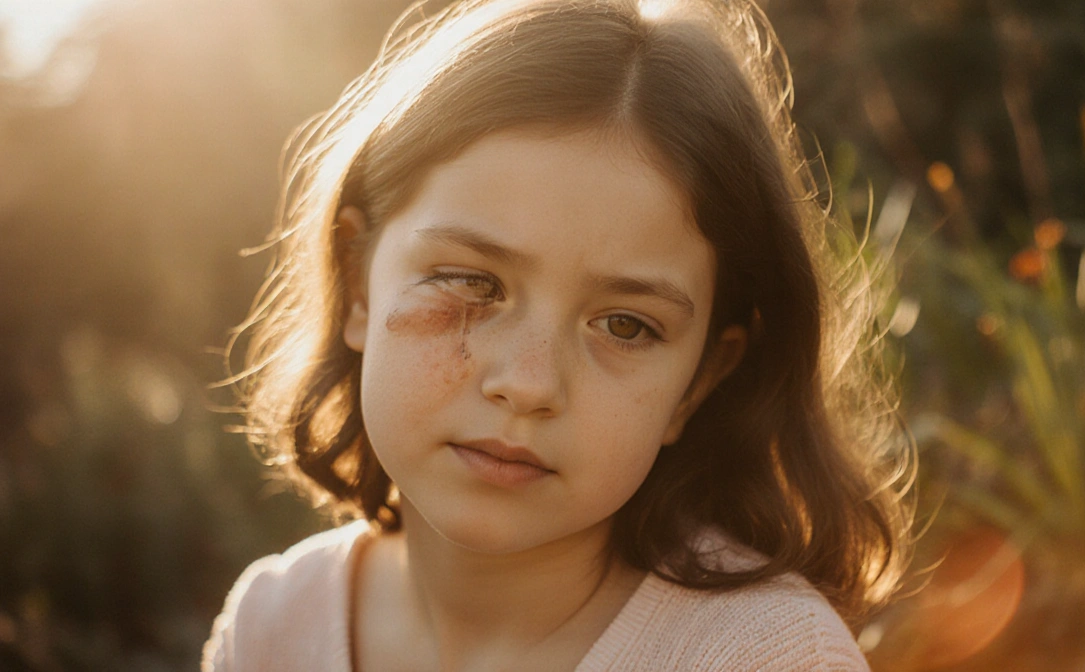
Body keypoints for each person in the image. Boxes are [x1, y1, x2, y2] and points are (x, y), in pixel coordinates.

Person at [202, 0, 913, 669]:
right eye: (473, 283)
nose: (529, 383)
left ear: (699, 381)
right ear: (357, 281)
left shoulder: (763, 658)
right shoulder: (274, 625)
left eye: (626, 325)